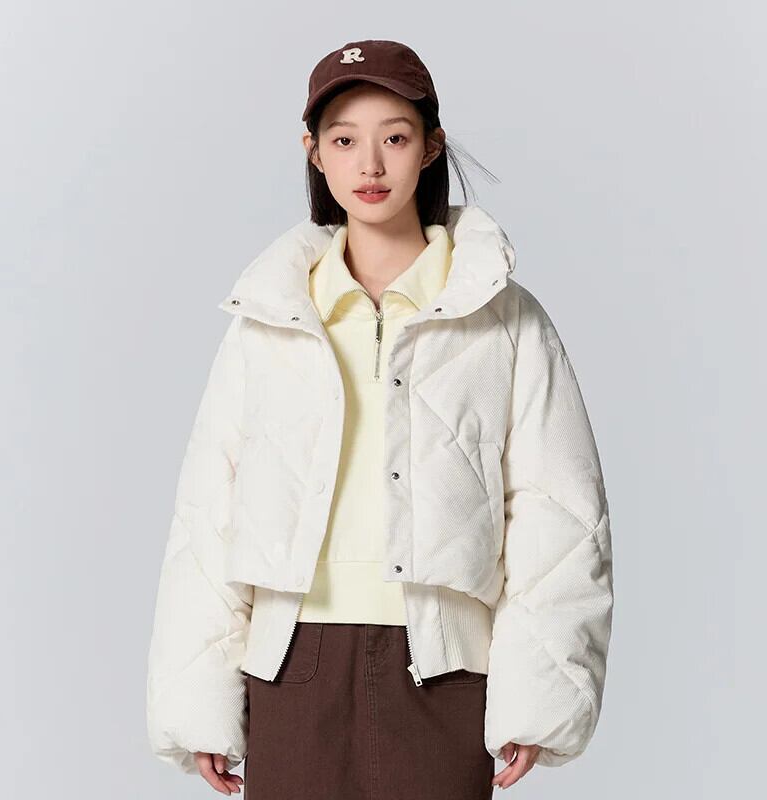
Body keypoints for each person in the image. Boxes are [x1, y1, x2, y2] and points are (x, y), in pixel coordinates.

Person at [145, 39, 614, 799]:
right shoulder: (269, 318)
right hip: (291, 666)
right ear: (313, 152)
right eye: (343, 141)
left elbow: (557, 511)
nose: (369, 164)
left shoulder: (503, 318)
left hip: (445, 668)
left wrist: (539, 696)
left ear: (431, 146)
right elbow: (208, 514)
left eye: (394, 137)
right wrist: (197, 704)